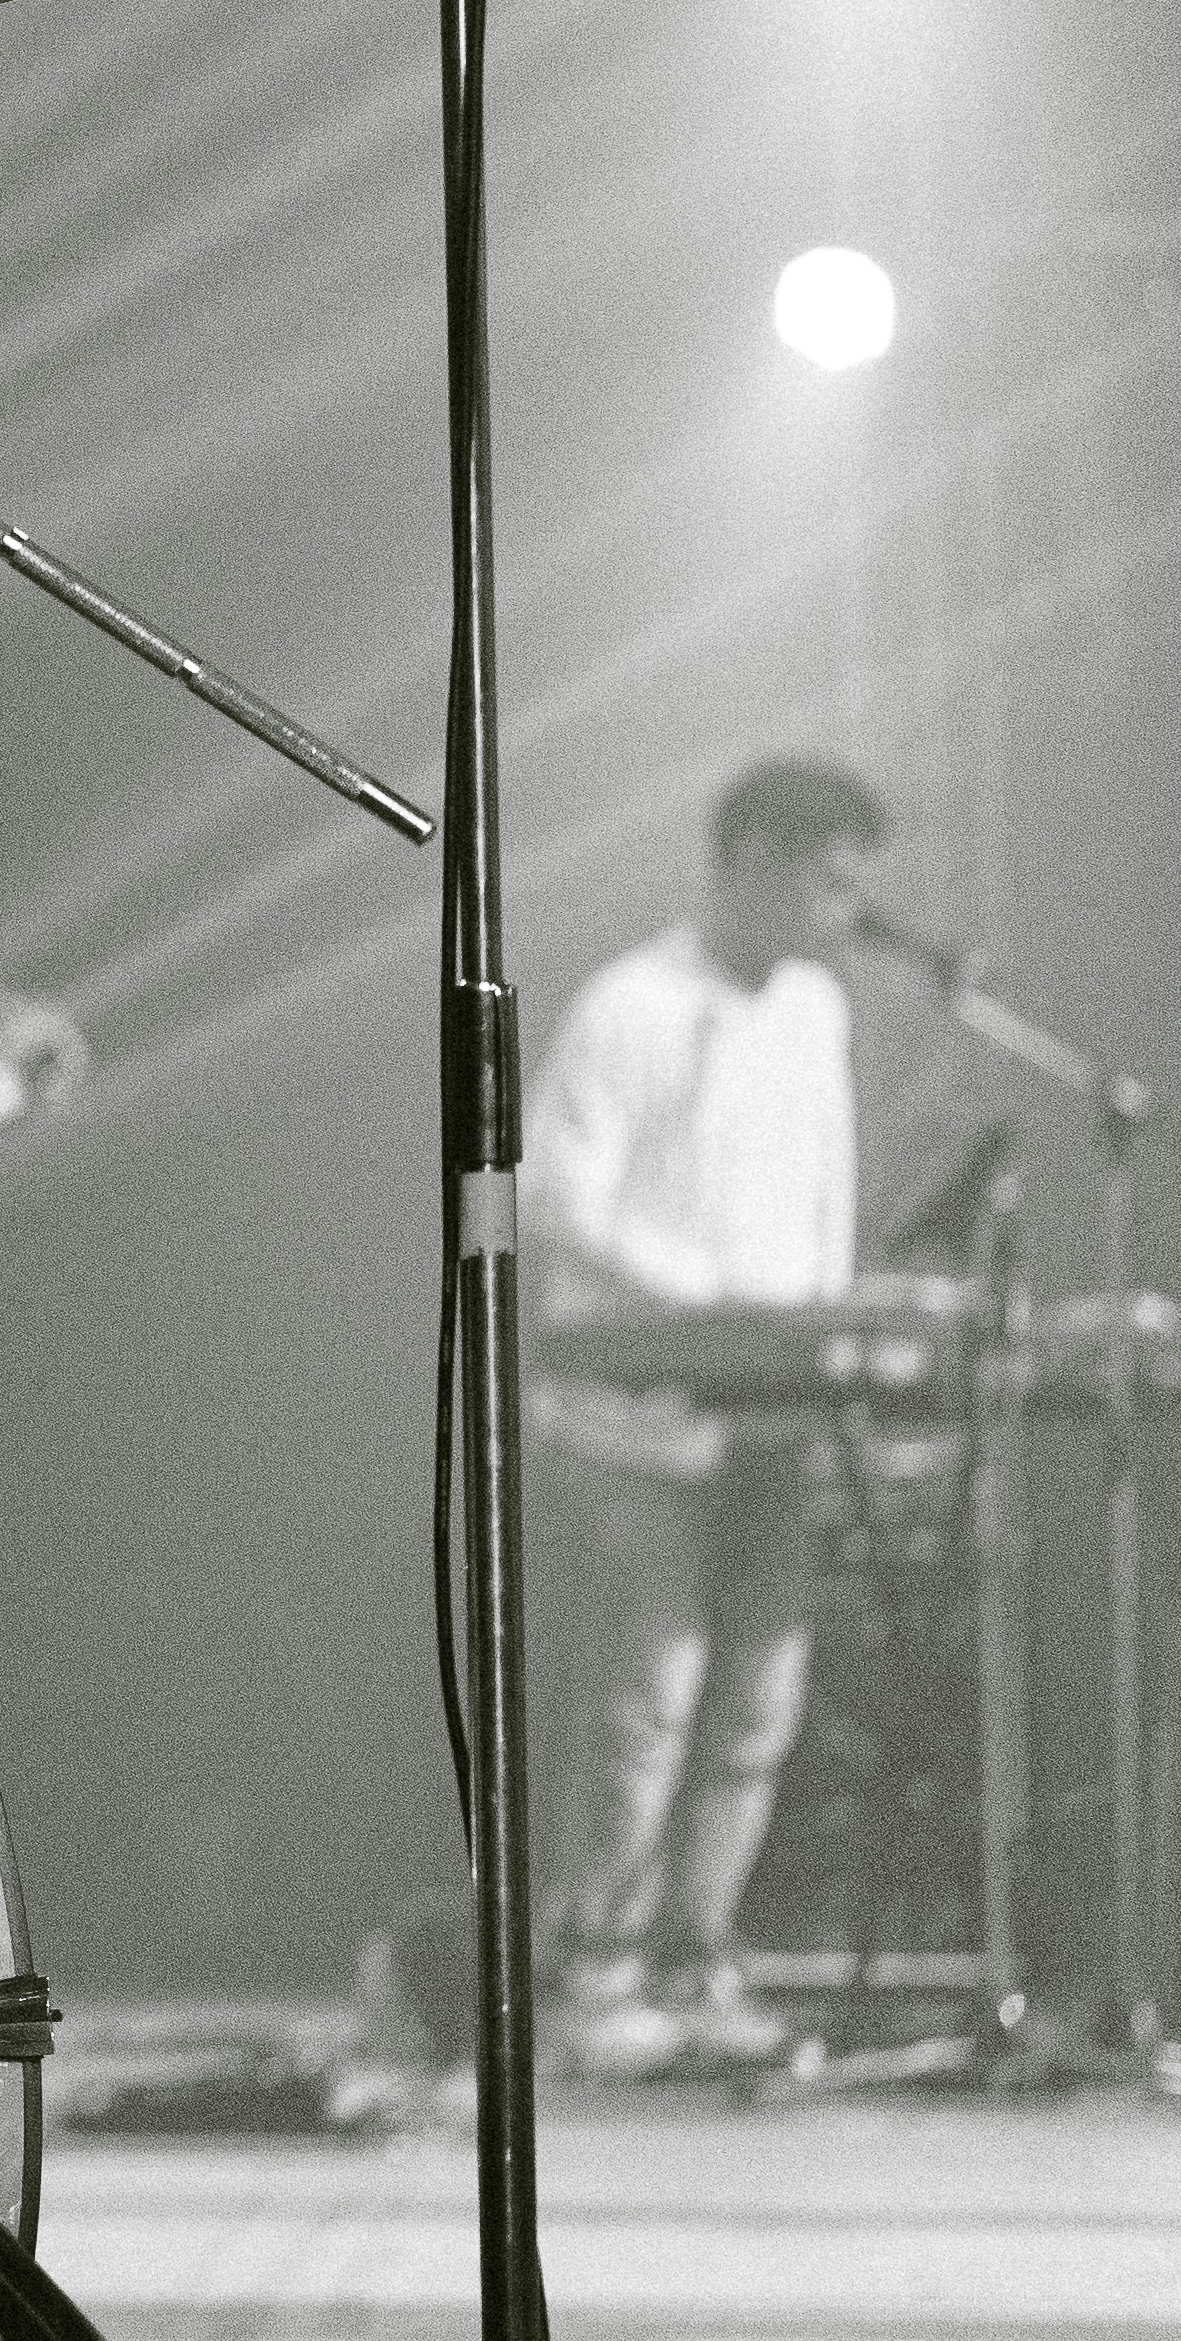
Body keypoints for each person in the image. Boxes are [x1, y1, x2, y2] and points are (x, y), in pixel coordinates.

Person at [523, 754, 882, 2076]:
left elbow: (827, 1197)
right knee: (652, 1686)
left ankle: (692, 1954)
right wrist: (712, 1305)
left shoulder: (817, 1012)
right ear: (752, 861)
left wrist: (826, 1328)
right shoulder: (633, 1004)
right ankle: (595, 1970)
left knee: (758, 1699)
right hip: (636, 1413)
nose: (845, 909)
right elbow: (561, 1195)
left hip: (772, 1410)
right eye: (828, 880)